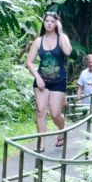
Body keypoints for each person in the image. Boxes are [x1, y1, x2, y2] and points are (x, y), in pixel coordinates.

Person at [25, 10, 71, 151]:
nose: (49, 24)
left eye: (52, 21)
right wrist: (38, 78)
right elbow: (29, 62)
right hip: (42, 81)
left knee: (55, 113)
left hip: (58, 80)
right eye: (47, 21)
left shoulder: (62, 38)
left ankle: (62, 130)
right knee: (40, 111)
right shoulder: (38, 41)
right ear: (43, 23)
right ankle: (41, 144)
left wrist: (61, 31)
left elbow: (68, 52)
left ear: (56, 23)